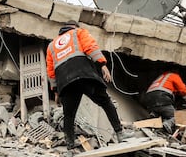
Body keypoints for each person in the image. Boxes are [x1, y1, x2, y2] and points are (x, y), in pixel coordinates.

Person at [46, 20, 130, 149]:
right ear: (74, 27)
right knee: (106, 102)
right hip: (84, 74)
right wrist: (102, 64)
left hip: (66, 82)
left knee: (68, 115)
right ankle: (120, 133)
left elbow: (51, 71)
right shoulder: (79, 32)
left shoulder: (51, 46)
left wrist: (56, 91)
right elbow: (90, 47)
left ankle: (70, 146)